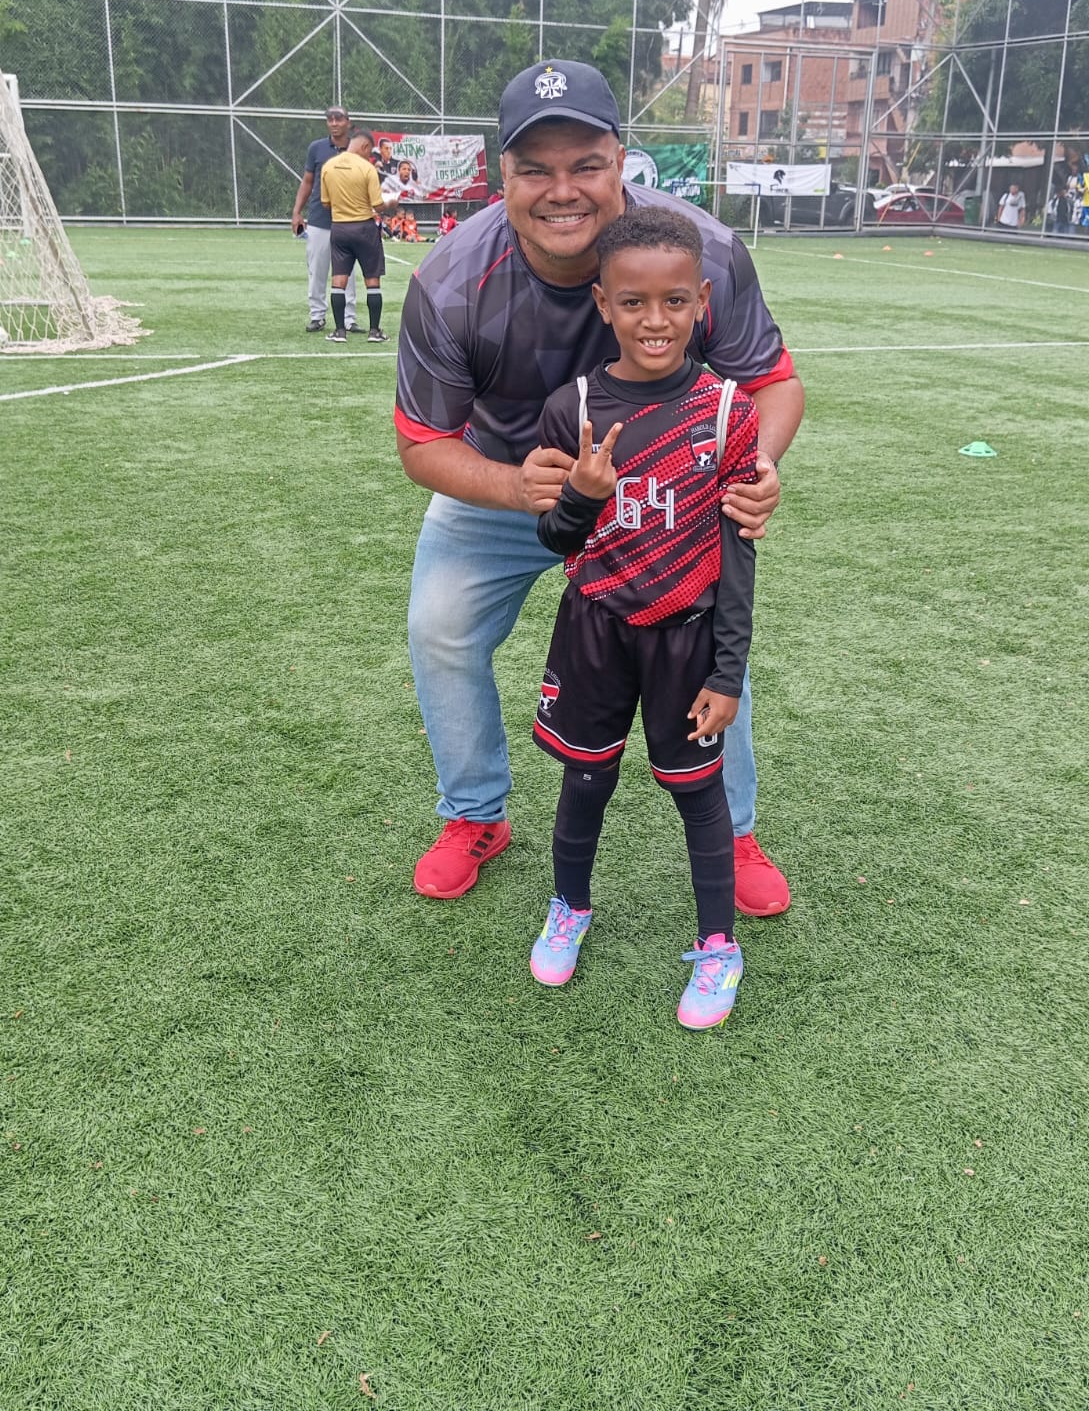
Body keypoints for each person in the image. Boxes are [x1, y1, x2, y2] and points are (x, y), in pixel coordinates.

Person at [394, 58, 805, 915]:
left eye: (585, 164)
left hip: (671, 496)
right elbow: (423, 443)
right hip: (517, 486)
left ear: (621, 160)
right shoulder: (451, 280)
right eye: (534, 169)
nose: (562, 191)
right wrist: (517, 487)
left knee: (707, 638)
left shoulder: (701, 253)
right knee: (439, 627)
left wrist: (754, 463)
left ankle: (733, 832)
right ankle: (474, 814)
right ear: (502, 174)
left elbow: (774, 384)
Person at [528, 206, 756, 1030]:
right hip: (593, 632)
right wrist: (582, 497)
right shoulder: (573, 408)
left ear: (700, 301)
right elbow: (555, 539)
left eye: (673, 302)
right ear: (603, 304)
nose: (654, 320)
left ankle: (719, 946)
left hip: (686, 640)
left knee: (698, 794)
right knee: (585, 777)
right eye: (633, 302)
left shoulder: (727, 411)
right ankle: (569, 907)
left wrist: (727, 673)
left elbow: (739, 557)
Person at [319, 128, 395, 343]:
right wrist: (391, 203)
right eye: (369, 151)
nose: (369, 155)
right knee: (372, 280)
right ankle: (374, 332)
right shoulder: (367, 168)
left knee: (338, 279)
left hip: (339, 229)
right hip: (364, 229)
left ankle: (339, 331)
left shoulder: (328, 166)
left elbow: (325, 203)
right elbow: (377, 205)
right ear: (364, 146)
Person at [291, 106, 360, 335]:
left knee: (348, 273)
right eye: (330, 119)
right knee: (317, 270)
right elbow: (307, 181)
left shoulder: (357, 148)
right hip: (320, 219)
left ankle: (349, 319)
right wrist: (297, 212)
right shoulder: (316, 148)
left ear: (348, 122)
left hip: (349, 220)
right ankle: (317, 316)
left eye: (338, 119)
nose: (334, 123)